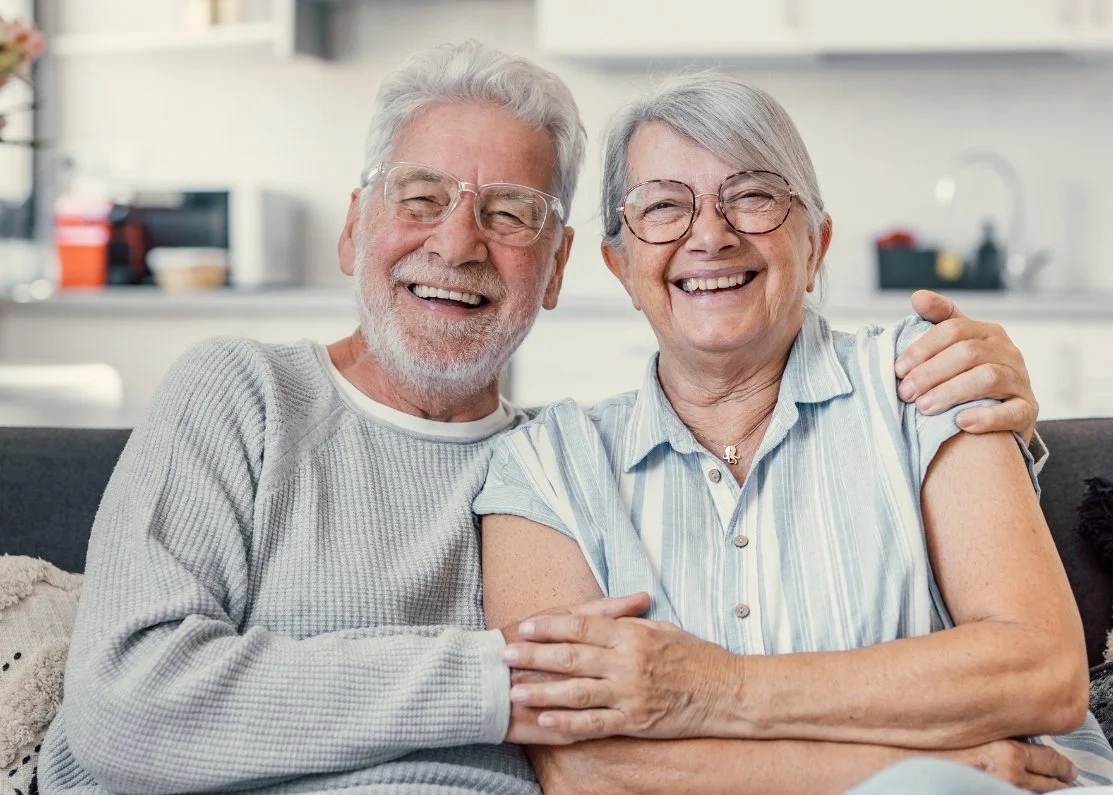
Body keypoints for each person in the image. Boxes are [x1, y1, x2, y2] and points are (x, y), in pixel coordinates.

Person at [42, 42, 1046, 794]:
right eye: (422, 199)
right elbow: (126, 704)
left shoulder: (551, 462)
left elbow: (622, 749)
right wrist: (504, 678)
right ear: (355, 228)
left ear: (562, 266)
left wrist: (993, 419)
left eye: (510, 213)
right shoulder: (245, 395)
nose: (459, 245)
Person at [475, 72, 1113, 795]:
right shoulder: (545, 466)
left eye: (753, 196)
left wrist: (710, 688)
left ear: (815, 242)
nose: (711, 235)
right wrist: (911, 763)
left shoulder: (925, 376)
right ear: (621, 267)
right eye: (663, 207)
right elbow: (586, 767)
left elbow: (1039, 672)